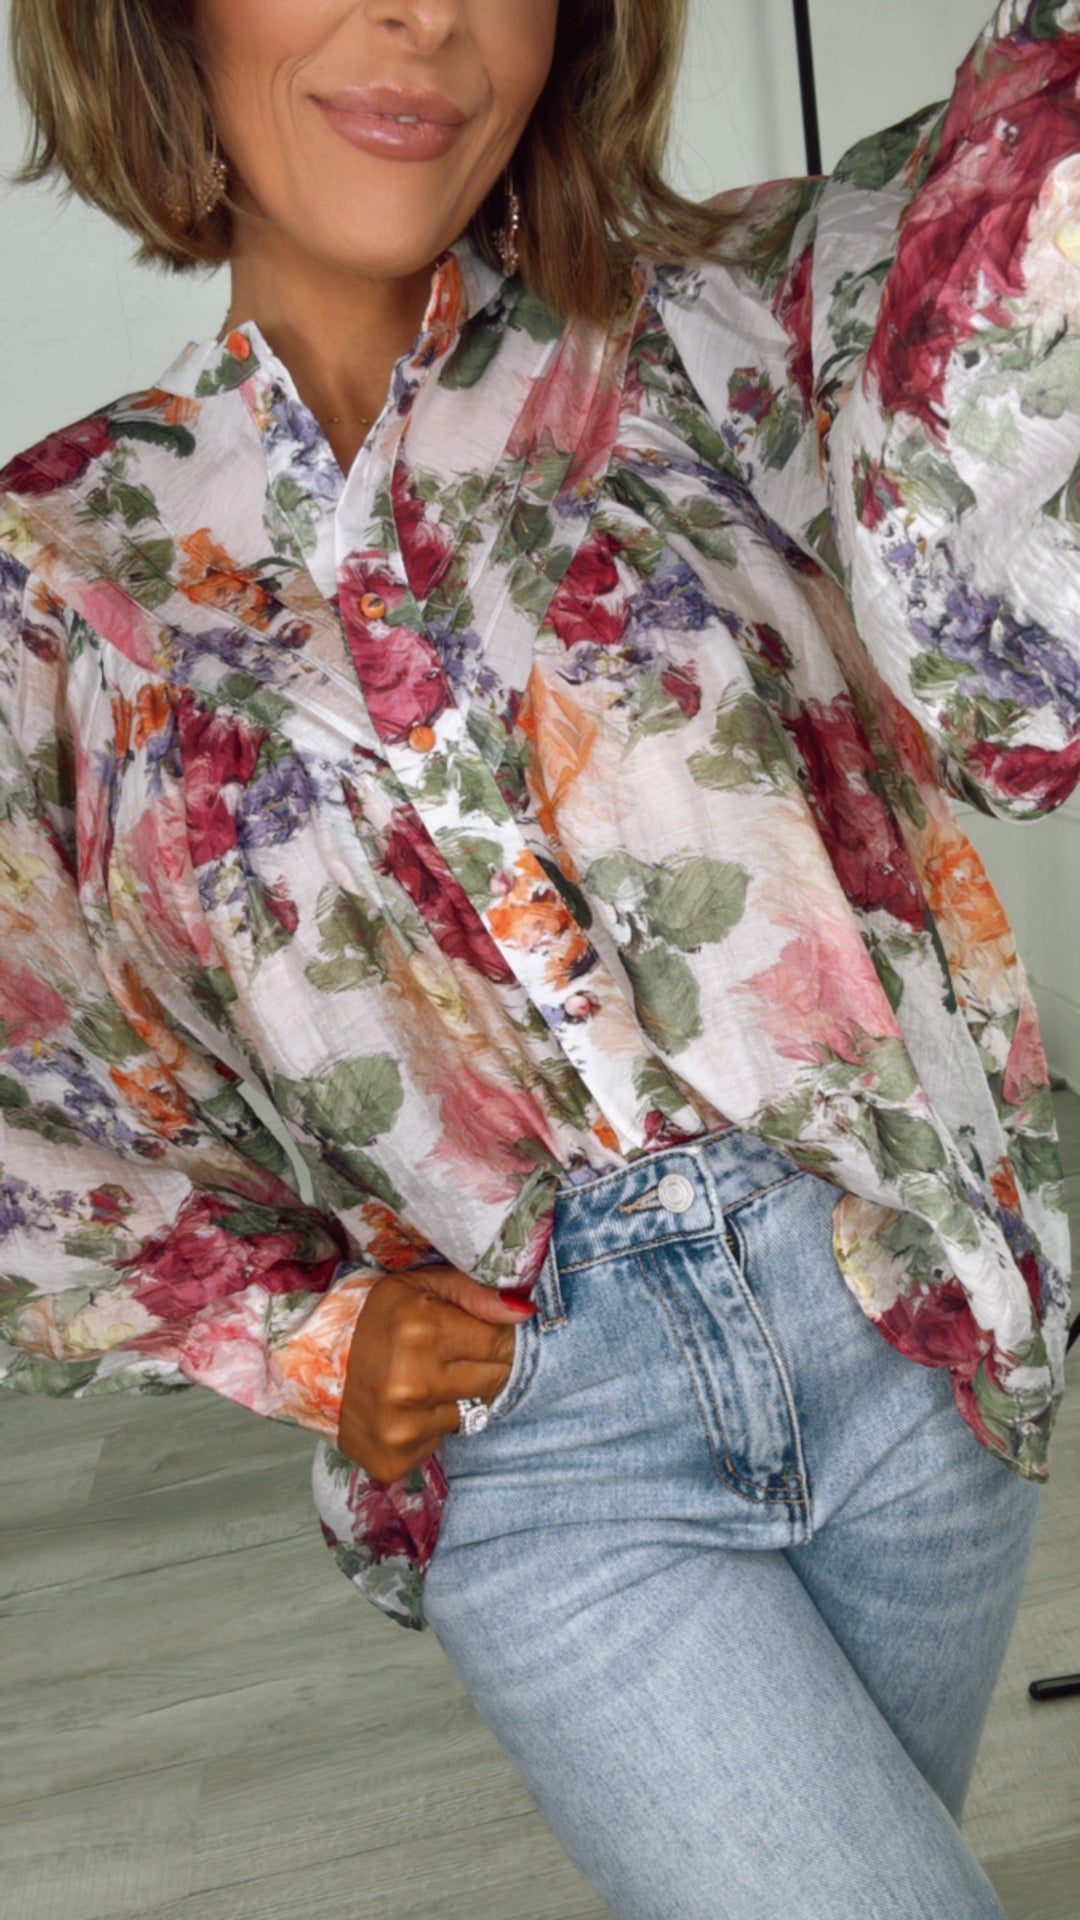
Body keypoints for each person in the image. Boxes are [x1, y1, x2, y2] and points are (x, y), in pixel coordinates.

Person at [1, 1, 1077, 1913]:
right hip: (545, 1430)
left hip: (905, 1332)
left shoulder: (742, 330)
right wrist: (291, 1330)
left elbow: (1016, 430)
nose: (424, 14)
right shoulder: (56, 581)